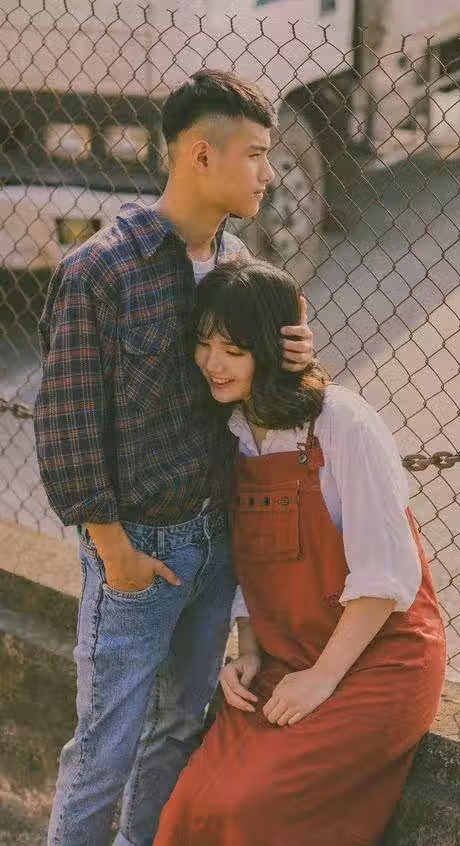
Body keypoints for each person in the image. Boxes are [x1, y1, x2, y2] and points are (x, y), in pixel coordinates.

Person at [33, 71, 313, 846]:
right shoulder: (101, 271)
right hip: (138, 552)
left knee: (179, 727)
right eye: (254, 154)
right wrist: (113, 549)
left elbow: (261, 400)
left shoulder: (237, 262)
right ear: (200, 155)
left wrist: (293, 355)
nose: (268, 173)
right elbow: (66, 428)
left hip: (216, 544)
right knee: (103, 750)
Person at [154, 259, 447, 846]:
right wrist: (249, 652)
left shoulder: (343, 423)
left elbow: (388, 577)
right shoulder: (231, 429)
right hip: (286, 658)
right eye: (204, 345)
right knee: (191, 806)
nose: (213, 363)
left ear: (271, 347)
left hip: (377, 662)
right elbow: (252, 564)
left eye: (234, 350)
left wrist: (321, 679)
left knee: (246, 811)